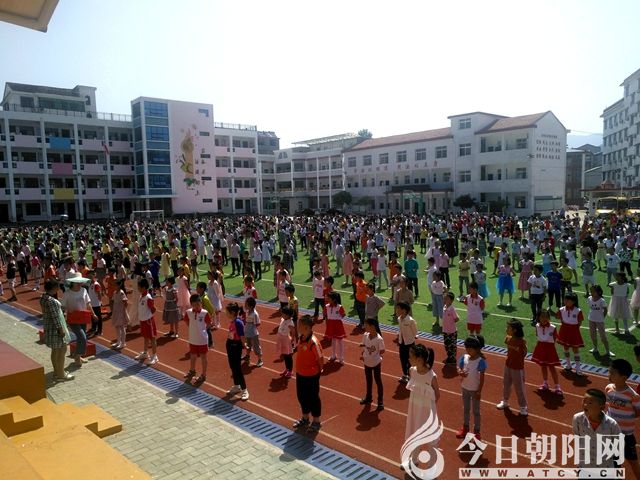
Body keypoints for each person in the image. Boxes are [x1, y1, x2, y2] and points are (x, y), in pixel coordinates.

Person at [605, 359, 640, 479]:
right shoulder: (608, 389)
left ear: (623, 377)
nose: (609, 375)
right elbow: (609, 407)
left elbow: (638, 412)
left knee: (633, 462)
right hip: (611, 434)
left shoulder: (632, 395)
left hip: (626, 436)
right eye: (609, 372)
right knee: (614, 463)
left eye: (612, 373)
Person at [572, 389, 621, 469]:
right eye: (584, 401)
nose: (585, 405)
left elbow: (618, 445)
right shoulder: (577, 419)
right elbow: (577, 436)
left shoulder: (612, 424)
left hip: (605, 467)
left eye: (590, 403)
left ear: (602, 407)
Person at [292, 315, 324, 434]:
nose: (297, 327)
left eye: (299, 325)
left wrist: (319, 371)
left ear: (306, 327)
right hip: (300, 373)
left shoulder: (313, 342)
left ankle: (316, 421)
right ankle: (305, 418)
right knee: (301, 396)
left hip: (311, 376)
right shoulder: (301, 338)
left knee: (313, 397)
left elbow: (320, 359)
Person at [40, 278, 73, 381]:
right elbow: (55, 316)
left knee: (55, 350)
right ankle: (61, 374)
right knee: (62, 350)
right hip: (56, 329)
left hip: (49, 327)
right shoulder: (51, 301)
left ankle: (56, 371)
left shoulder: (43, 298)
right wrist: (60, 329)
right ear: (54, 287)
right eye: (57, 287)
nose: (58, 289)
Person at [61, 272, 96, 366]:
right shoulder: (67, 293)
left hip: (83, 317)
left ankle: (78, 356)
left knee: (80, 338)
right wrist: (69, 309)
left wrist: (93, 314)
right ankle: (77, 355)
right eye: (77, 282)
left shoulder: (84, 290)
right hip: (73, 318)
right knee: (82, 337)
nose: (79, 284)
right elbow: (62, 306)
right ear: (72, 282)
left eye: (80, 282)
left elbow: (88, 303)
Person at [405, 344, 439, 440]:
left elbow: (437, 394)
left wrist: (429, 406)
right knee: (414, 434)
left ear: (419, 360)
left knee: (430, 436)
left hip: (427, 410)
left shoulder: (431, 376)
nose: (408, 359)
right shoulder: (412, 371)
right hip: (414, 408)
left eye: (411, 357)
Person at [456, 335, 487, 440]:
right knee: (466, 409)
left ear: (477, 349)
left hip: (475, 390)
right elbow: (459, 367)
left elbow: (482, 379)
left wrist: (479, 391)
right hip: (465, 388)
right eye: (467, 348)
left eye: (470, 349)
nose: (468, 351)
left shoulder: (480, 361)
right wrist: (460, 372)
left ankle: (477, 432)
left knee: (476, 412)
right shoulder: (464, 357)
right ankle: (465, 428)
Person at [496, 319, 528, 416]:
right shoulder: (508, 339)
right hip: (508, 365)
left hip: (517, 368)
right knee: (506, 385)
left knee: (519, 388)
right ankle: (505, 401)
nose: (506, 329)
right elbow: (509, 350)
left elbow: (524, 353)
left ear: (514, 330)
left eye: (508, 328)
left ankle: (523, 407)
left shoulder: (522, 342)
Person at [182, 294, 212, 385]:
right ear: (191, 304)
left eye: (199, 304)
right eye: (195, 305)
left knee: (203, 357)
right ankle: (192, 370)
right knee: (193, 355)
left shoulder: (204, 313)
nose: (197, 306)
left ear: (201, 303)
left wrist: (203, 331)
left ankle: (203, 374)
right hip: (193, 339)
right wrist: (192, 329)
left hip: (202, 340)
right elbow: (186, 321)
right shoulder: (188, 312)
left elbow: (209, 323)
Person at [531, 309, 562, 395]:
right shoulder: (537, 326)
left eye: (546, 316)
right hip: (540, 348)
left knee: (552, 367)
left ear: (549, 318)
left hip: (549, 349)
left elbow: (555, 339)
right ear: (538, 318)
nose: (544, 318)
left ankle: (557, 386)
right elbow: (538, 335)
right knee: (543, 366)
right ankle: (545, 383)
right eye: (542, 316)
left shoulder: (553, 327)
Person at [359, 318, 385, 411]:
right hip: (367, 362)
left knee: (378, 381)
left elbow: (382, 350)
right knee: (368, 380)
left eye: (366, 325)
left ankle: (380, 401)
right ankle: (368, 397)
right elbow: (364, 345)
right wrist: (364, 353)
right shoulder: (365, 335)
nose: (365, 327)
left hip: (376, 363)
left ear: (372, 326)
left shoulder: (379, 339)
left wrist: (374, 354)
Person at [556, 292, 584, 376]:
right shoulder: (561, 309)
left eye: (568, 300)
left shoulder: (578, 310)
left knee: (575, 349)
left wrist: (574, 328)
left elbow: (580, 322)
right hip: (564, 330)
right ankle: (568, 365)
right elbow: (558, 317)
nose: (566, 301)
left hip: (574, 331)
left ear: (573, 301)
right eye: (565, 299)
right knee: (566, 348)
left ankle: (578, 368)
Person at [225, 302, 249, 400]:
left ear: (232, 312)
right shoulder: (233, 321)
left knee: (237, 369)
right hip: (230, 344)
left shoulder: (238, 322)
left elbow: (242, 336)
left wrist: (244, 345)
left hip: (236, 346)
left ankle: (244, 389)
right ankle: (236, 386)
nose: (226, 313)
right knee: (232, 367)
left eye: (227, 312)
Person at [134, 278, 159, 365]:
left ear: (144, 287)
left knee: (152, 338)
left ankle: (154, 356)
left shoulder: (148, 297)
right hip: (143, 320)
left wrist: (148, 316)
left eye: (139, 287)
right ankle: (145, 353)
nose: (138, 288)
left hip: (148, 321)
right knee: (145, 337)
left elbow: (153, 309)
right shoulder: (142, 296)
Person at [588, 285, 613, 357]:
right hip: (591, 319)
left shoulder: (602, 300)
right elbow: (591, 308)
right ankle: (595, 348)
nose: (591, 293)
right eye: (591, 291)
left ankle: (608, 351)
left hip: (599, 320)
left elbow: (605, 310)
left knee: (603, 336)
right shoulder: (589, 298)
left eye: (593, 291)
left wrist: (602, 317)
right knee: (593, 335)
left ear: (598, 292)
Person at [322, 291, 347, 364]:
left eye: (329, 298)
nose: (327, 299)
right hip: (331, 325)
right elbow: (325, 314)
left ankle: (341, 358)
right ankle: (333, 355)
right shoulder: (327, 306)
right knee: (333, 340)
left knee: (340, 341)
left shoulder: (339, 307)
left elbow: (343, 314)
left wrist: (338, 318)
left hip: (338, 325)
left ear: (334, 299)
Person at [397, 301, 418, 384]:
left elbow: (415, 331)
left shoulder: (410, 320)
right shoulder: (399, 319)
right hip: (401, 342)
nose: (397, 310)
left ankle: (410, 376)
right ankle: (404, 374)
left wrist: (412, 338)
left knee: (410, 360)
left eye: (398, 308)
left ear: (404, 310)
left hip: (409, 343)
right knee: (402, 359)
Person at [243, 296, 263, 367]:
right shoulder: (247, 312)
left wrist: (251, 327)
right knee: (248, 345)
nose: (245, 306)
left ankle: (260, 359)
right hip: (247, 332)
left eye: (246, 305)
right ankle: (247, 356)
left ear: (251, 306)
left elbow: (258, 323)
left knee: (256, 347)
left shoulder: (255, 314)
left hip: (253, 334)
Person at [276, 306, 296, 378]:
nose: (282, 314)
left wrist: (292, 338)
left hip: (286, 340)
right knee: (285, 355)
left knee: (288, 356)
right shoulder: (283, 319)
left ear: (287, 315)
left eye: (283, 313)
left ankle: (290, 371)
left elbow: (293, 331)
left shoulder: (290, 323)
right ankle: (287, 369)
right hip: (282, 340)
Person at [110, 278, 129, 350]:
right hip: (116, 311)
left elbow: (125, 302)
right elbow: (112, 300)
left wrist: (124, 310)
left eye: (115, 285)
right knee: (117, 327)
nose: (114, 286)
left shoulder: (121, 293)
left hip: (120, 312)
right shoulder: (115, 292)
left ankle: (123, 343)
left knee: (122, 327)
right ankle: (118, 341)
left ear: (119, 285)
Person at [442, 292, 459, 364]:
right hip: (445, 330)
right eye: (444, 298)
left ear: (451, 301)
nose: (445, 299)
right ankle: (449, 357)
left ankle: (453, 359)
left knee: (452, 346)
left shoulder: (452, 309)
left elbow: (457, 318)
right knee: (447, 345)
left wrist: (451, 323)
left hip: (452, 331)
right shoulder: (444, 307)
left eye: (447, 298)